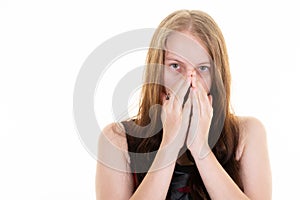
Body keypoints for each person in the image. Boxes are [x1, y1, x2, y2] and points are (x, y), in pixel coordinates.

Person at [96, 9, 272, 200]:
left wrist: (201, 149)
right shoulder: (117, 139)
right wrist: (170, 145)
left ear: (216, 77)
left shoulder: (248, 132)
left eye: (202, 68)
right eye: (175, 66)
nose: (189, 81)